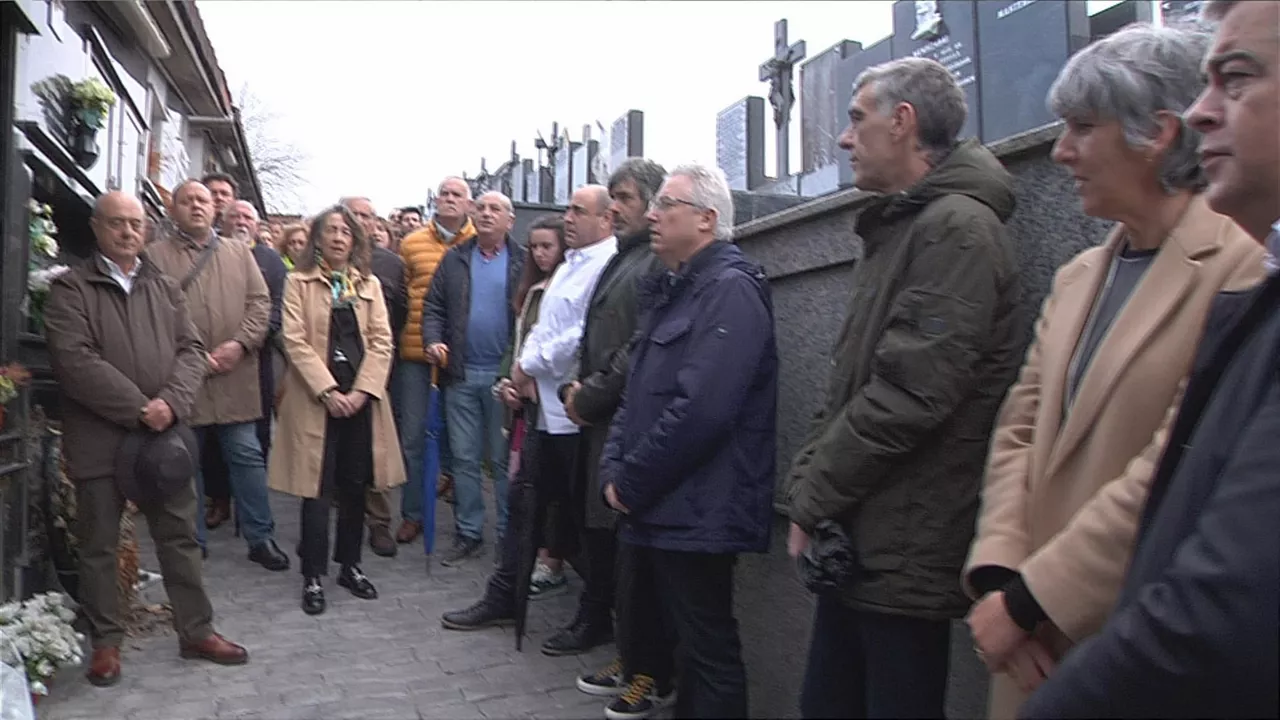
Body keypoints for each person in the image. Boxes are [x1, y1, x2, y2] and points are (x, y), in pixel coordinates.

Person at [963, 24, 1266, 718]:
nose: (1061, 151)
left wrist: (1037, 598)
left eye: (1081, 128)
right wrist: (1002, 579)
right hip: (1025, 644)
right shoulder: (1077, 277)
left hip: (1131, 643)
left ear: (1156, 133)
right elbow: (1018, 431)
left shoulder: (1243, 266)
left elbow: (1177, 456)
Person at [785, 57, 1022, 719]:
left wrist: (810, 496)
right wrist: (813, 489)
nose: (844, 138)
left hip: (904, 545)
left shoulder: (957, 230)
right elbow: (851, 384)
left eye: (856, 118)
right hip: (863, 534)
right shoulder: (905, 226)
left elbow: (909, 395)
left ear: (904, 122)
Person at [44, 191, 248, 687]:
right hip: (100, 438)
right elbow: (75, 361)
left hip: (163, 440)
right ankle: (106, 644)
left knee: (179, 538)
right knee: (98, 544)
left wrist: (171, 403)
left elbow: (192, 349)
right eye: (117, 223)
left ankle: (196, 631)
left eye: (136, 224)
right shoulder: (71, 288)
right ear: (97, 228)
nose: (128, 232)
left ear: (146, 230)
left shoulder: (165, 287)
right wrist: (140, 408)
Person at [601, 163, 778, 718]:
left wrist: (630, 482)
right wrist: (613, 468)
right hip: (663, 504)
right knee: (685, 651)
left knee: (707, 649)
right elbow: (636, 394)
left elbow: (702, 410)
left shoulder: (730, 290)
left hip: (699, 507)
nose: (652, 215)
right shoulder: (675, 288)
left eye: (666, 205)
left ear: (706, 219)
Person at [567, 158, 673, 716]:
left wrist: (590, 395)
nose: (615, 207)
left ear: (654, 203)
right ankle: (631, 655)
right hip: (604, 423)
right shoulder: (624, 256)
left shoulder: (655, 260)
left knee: (638, 563)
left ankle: (649, 669)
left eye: (626, 197)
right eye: (612, 197)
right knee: (613, 553)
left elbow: (638, 347)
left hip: (626, 423)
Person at [268, 205, 404, 615]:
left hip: (361, 400)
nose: (339, 237)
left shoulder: (369, 284)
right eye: (332, 230)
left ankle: (350, 566)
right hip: (317, 400)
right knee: (316, 489)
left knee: (355, 485)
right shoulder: (298, 282)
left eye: (346, 231)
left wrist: (362, 392)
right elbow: (293, 340)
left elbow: (382, 341)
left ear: (355, 240)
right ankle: (312, 574)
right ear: (318, 238)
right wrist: (327, 391)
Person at [148, 180, 288, 570]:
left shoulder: (238, 252)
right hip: (182, 379)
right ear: (173, 210)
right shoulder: (154, 256)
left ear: (215, 210)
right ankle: (191, 541)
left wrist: (240, 344)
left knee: (247, 457)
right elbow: (149, 315)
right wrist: (190, 359)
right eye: (187, 201)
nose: (196, 206)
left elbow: (260, 303)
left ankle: (261, 538)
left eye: (203, 200)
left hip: (235, 375)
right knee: (184, 462)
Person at [423, 190, 526, 565]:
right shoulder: (455, 258)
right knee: (464, 458)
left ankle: (507, 535)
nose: (485, 213)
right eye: (480, 207)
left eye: (495, 209)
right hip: (461, 374)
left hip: (504, 380)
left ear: (510, 220)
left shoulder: (523, 261)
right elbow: (434, 306)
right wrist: (433, 340)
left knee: (500, 462)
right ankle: (469, 532)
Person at [395, 177, 476, 544]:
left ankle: (465, 517)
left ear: (468, 203)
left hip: (464, 356)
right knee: (413, 437)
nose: (448, 199)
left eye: (457, 194)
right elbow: (401, 296)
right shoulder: (411, 243)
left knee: (462, 440)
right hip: (416, 354)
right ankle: (413, 513)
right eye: (443, 193)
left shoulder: (480, 243)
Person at [204, 200, 289, 532]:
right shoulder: (207, 252)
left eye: (247, 217)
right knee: (212, 436)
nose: (240, 221)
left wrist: (249, 340)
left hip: (256, 358)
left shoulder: (270, 260)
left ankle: (251, 508)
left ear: (257, 225)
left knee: (256, 434)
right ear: (222, 221)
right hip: (210, 357)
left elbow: (278, 307)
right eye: (234, 216)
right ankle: (219, 498)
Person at [497, 216, 569, 599]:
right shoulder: (530, 290)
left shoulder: (564, 287)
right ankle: (523, 552)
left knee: (547, 488)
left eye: (548, 246)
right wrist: (508, 380)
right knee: (519, 478)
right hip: (523, 397)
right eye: (535, 247)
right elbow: (519, 341)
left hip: (548, 400)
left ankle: (550, 559)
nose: (540, 254)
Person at [340, 196, 407, 557]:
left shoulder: (390, 264)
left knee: (374, 447)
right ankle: (337, 512)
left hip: (376, 369)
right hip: (331, 371)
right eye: (353, 214)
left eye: (366, 216)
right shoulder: (321, 263)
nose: (360, 221)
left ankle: (379, 521)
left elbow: (400, 316)